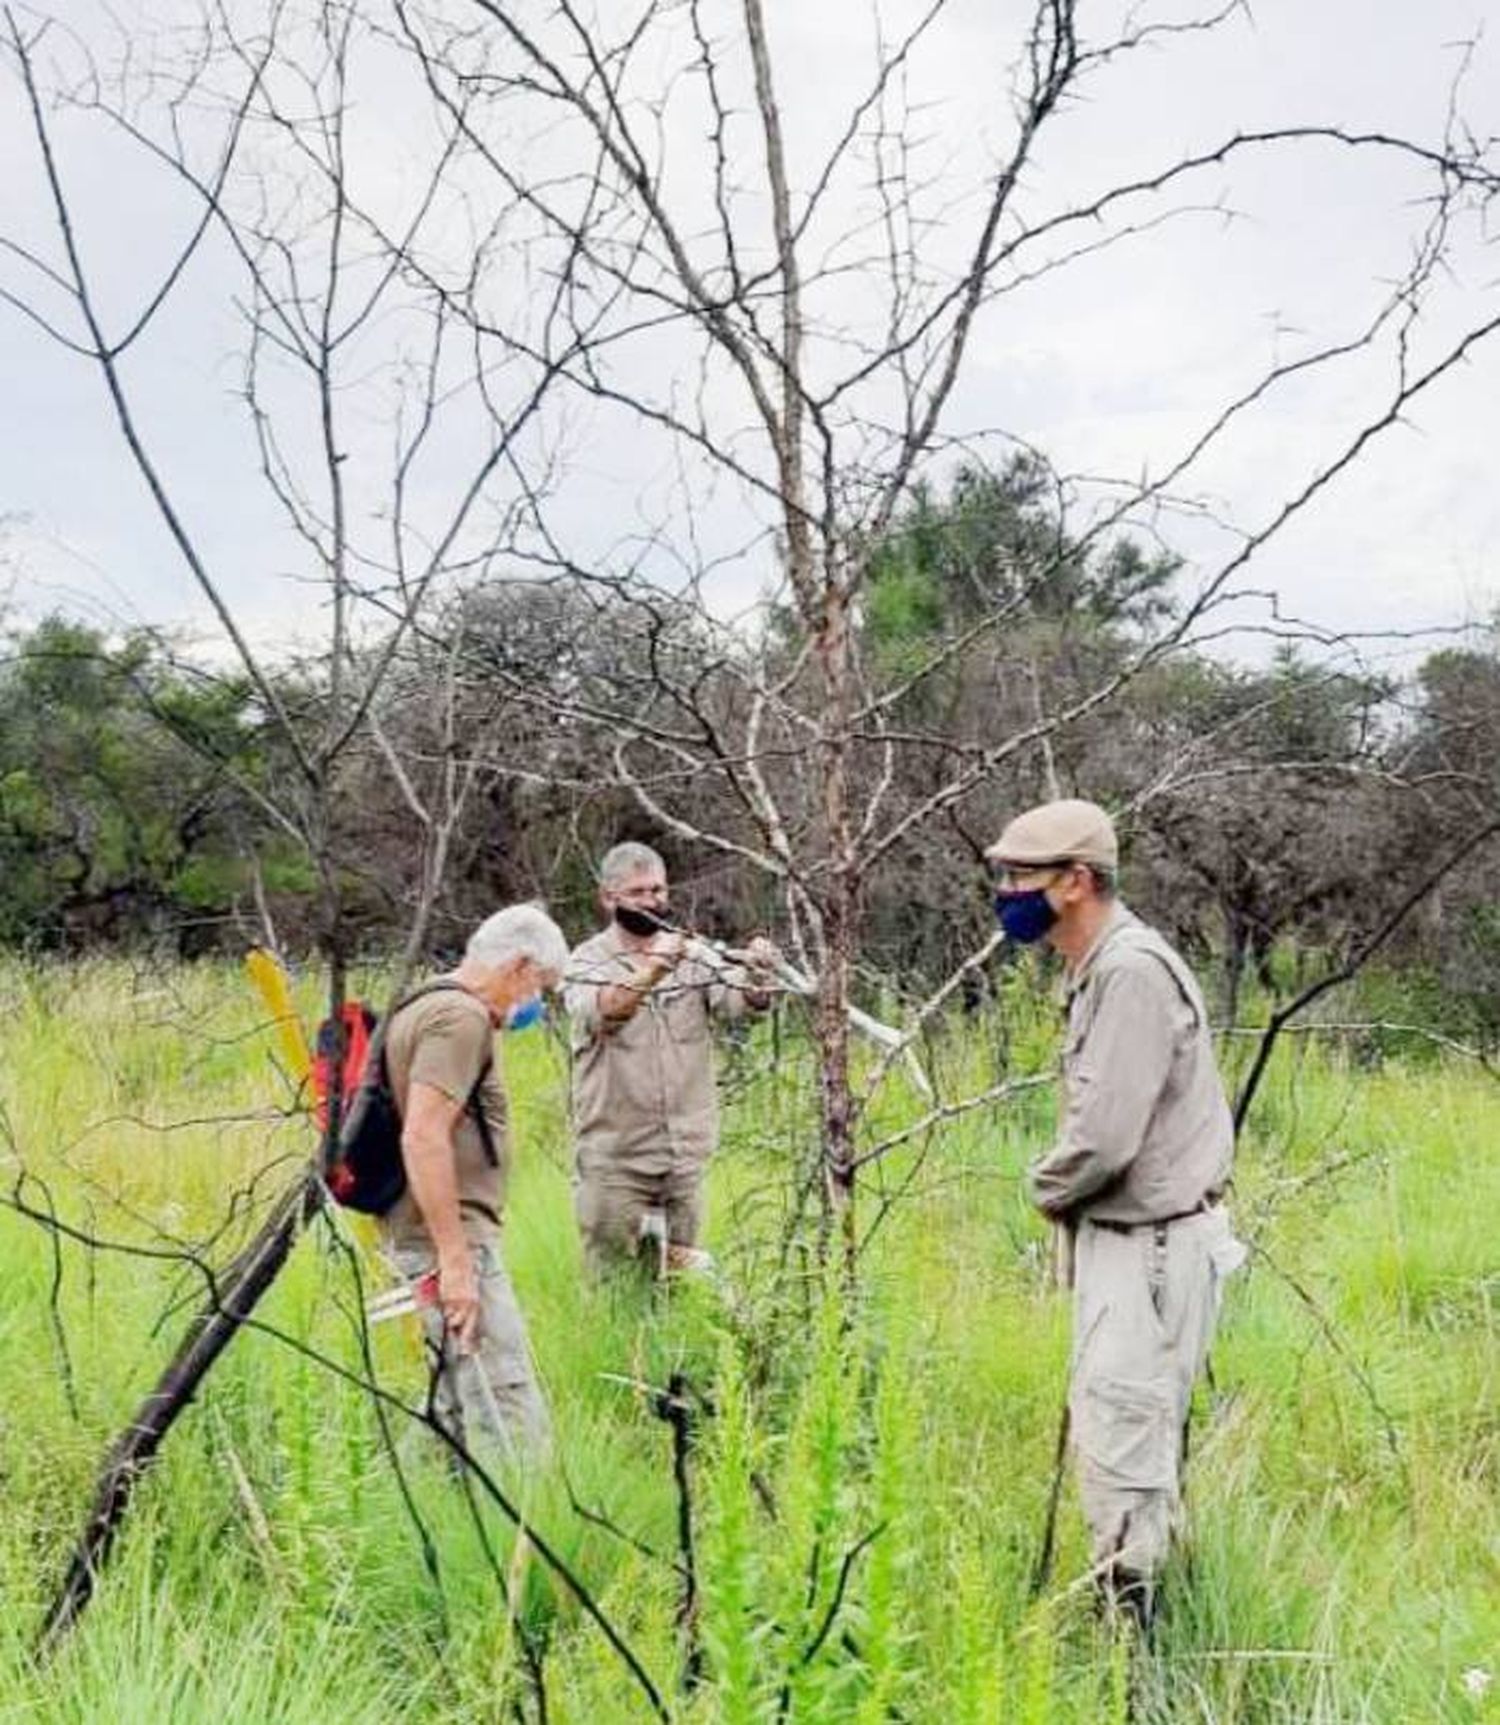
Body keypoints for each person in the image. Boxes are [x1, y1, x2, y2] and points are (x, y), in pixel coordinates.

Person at [987, 798, 1244, 1629]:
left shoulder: (1130, 969)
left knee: (1128, 1451)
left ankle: (1134, 1654)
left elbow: (1104, 1139)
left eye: (1023, 877)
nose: (1009, 892)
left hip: (1152, 1246)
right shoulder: (1097, 964)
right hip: (1133, 1242)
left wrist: (1042, 1186)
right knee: (1130, 1438)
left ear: (1078, 881)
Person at [380, 903, 569, 1462]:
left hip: (431, 1239)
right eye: (542, 986)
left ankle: (410, 1515)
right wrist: (455, 1260)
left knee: (452, 1409)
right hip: (451, 1247)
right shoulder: (459, 1019)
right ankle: (527, 1535)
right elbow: (421, 1136)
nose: (538, 1003)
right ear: (519, 966)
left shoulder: (426, 1004)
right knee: (509, 1410)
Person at [565, 841, 777, 1276]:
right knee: (615, 1289)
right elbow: (607, 1009)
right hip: (616, 1161)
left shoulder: (694, 955)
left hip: (684, 1158)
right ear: (609, 898)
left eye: (658, 891)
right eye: (638, 892)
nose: (652, 901)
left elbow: (743, 1004)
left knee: (680, 1282)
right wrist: (656, 969)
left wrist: (760, 971)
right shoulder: (585, 961)